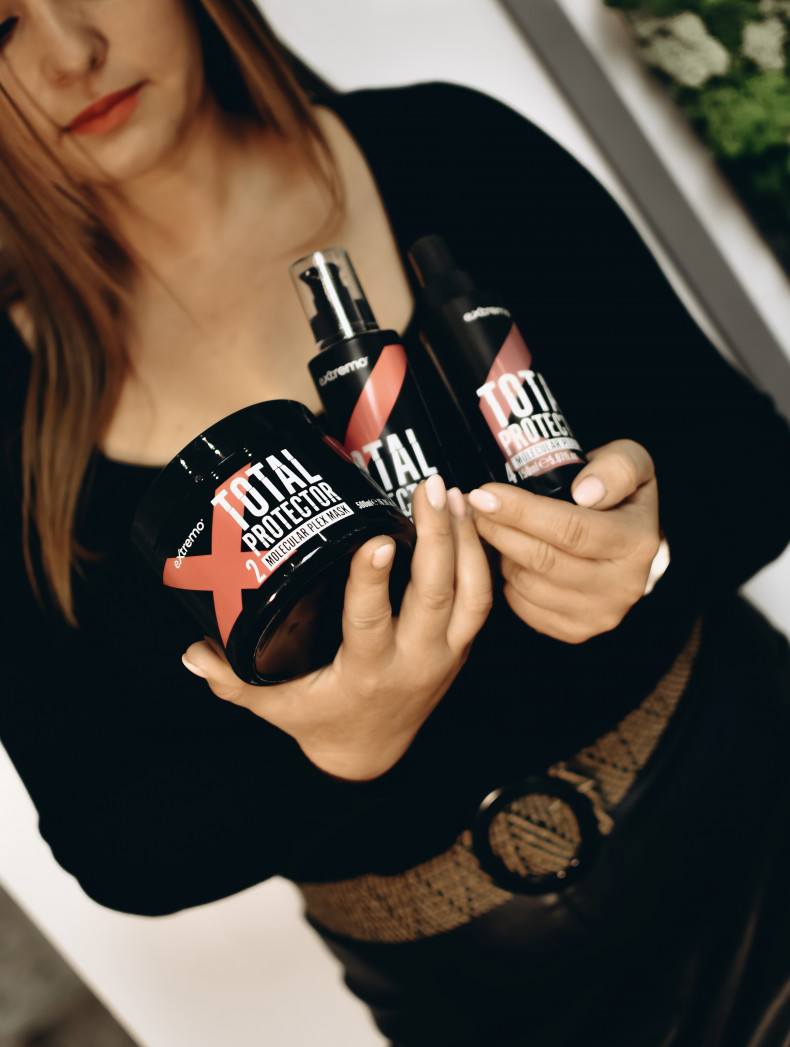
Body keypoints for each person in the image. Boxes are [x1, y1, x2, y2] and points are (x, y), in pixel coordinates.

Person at [1, 1, 789, 1044]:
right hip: (484, 1014)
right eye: (0, 27)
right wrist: (325, 752)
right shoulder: (11, 409)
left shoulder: (447, 149)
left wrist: (648, 545)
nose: (72, 53)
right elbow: (113, 844)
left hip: (756, 822)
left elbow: (752, 463)